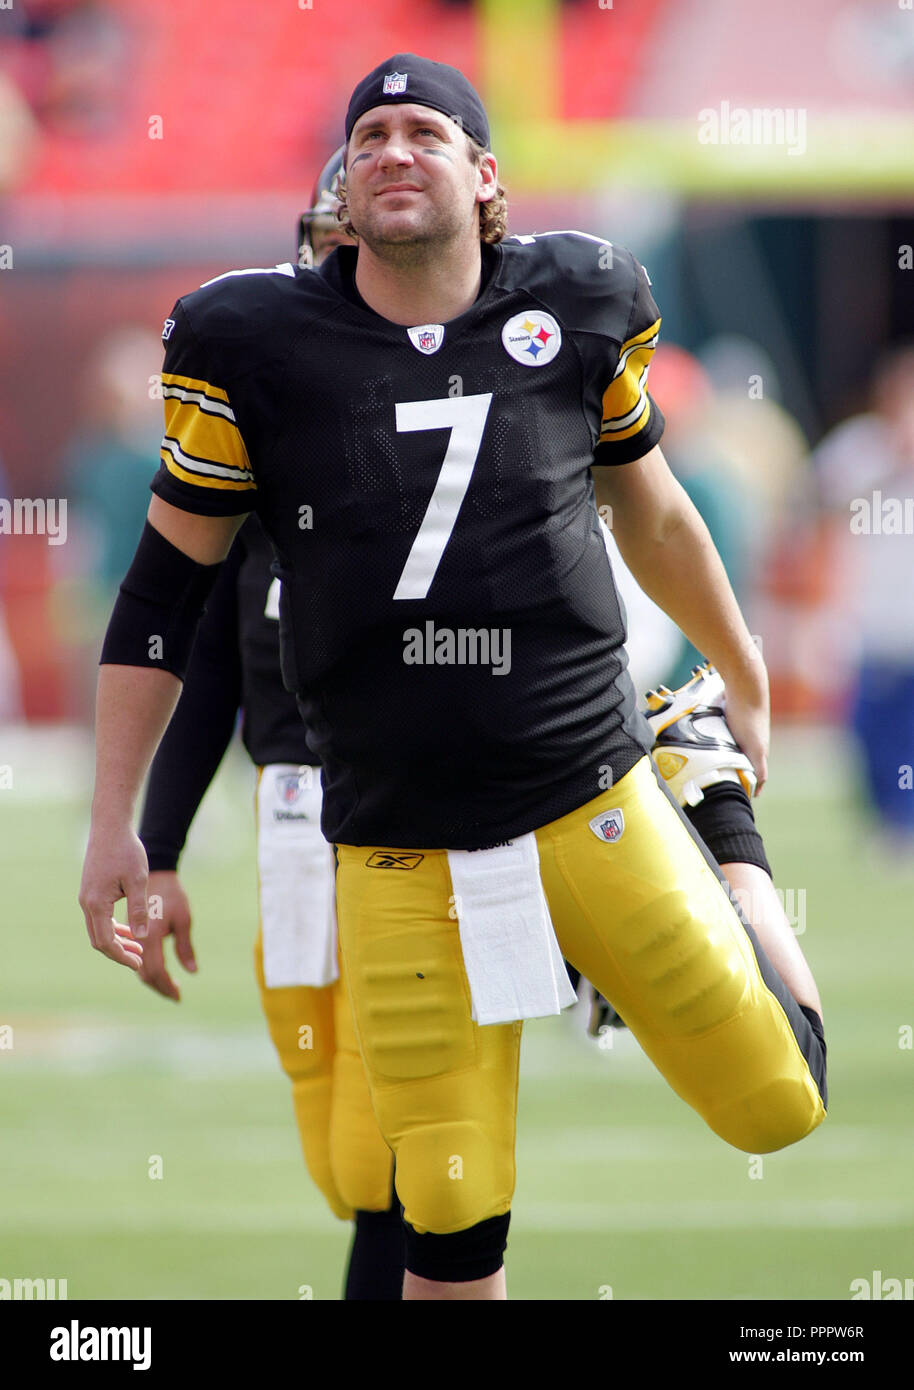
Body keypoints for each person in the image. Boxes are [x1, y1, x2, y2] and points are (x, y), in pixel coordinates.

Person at [79, 53, 827, 1302]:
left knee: (776, 1107)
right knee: (437, 1216)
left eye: (424, 131)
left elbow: (653, 516)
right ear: (340, 182)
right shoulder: (250, 344)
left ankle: (714, 815)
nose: (390, 150)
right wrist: (120, 823)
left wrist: (737, 660)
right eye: (367, 134)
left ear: (485, 177)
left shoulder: (578, 301)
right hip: (389, 841)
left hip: (583, 789)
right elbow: (167, 601)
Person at [135, 154, 405, 1301]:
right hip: (296, 821)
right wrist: (154, 845)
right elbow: (207, 662)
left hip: (423, 824)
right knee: (346, 1161)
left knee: (411, 1154)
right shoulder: (259, 422)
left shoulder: (466, 414)